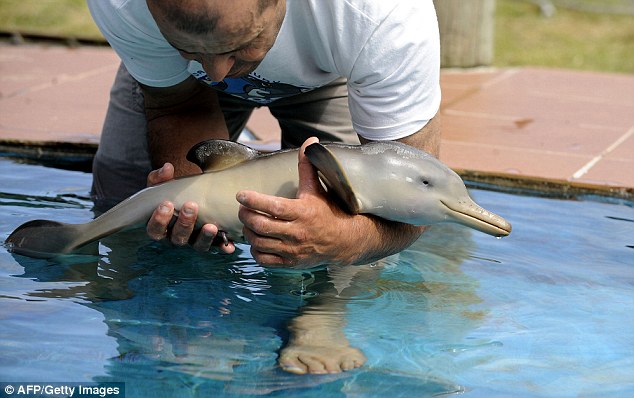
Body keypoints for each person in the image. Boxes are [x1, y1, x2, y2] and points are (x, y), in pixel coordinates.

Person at [87, 0, 441, 374]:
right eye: (189, 47)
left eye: (243, 43)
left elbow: (410, 199)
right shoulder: (123, 4)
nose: (218, 71)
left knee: (355, 206)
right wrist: (193, 196)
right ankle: (144, 315)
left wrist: (340, 236)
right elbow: (177, 105)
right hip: (181, 85)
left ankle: (321, 314)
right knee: (124, 201)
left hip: (329, 67)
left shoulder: (379, 15)